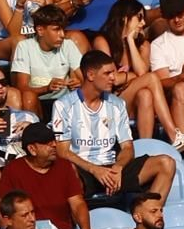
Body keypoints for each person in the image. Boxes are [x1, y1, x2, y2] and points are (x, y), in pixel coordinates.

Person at [51, 49, 176, 208]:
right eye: (108, 73)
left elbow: (127, 147)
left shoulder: (117, 104)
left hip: (112, 167)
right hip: (84, 169)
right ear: (90, 75)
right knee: (66, 170)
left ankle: (147, 216)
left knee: (166, 163)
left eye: (114, 73)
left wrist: (118, 167)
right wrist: (95, 170)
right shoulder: (64, 105)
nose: (113, 78)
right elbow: (63, 152)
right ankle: (77, 227)